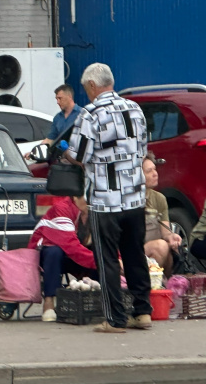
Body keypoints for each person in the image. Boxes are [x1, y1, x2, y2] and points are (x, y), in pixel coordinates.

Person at [66, 63, 152, 333]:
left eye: (85, 88)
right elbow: (143, 150)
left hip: (106, 200)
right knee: (135, 254)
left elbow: (79, 155)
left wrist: (67, 153)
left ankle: (114, 318)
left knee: (108, 260)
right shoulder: (134, 109)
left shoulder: (90, 114)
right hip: (135, 197)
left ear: (92, 85)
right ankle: (142, 312)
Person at [27, 196, 97, 322]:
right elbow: (71, 246)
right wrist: (105, 262)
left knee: (101, 254)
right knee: (54, 251)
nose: (91, 204)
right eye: (88, 201)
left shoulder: (96, 211)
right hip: (45, 256)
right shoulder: (62, 209)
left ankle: (96, 300)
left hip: (73, 255)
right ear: (76, 197)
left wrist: (117, 260)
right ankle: (49, 301)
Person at [142, 153, 182, 277]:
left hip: (155, 249)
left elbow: (166, 233)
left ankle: (163, 288)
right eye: (149, 171)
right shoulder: (128, 200)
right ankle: (147, 286)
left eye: (155, 169)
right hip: (134, 250)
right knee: (161, 247)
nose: (155, 174)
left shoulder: (159, 199)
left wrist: (172, 237)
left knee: (168, 251)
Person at [24, 84, 79, 159]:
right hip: (61, 159)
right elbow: (50, 139)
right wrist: (34, 152)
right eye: (56, 99)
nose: (58, 102)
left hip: (77, 158)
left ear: (69, 97)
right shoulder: (57, 118)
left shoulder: (81, 114)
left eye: (60, 98)